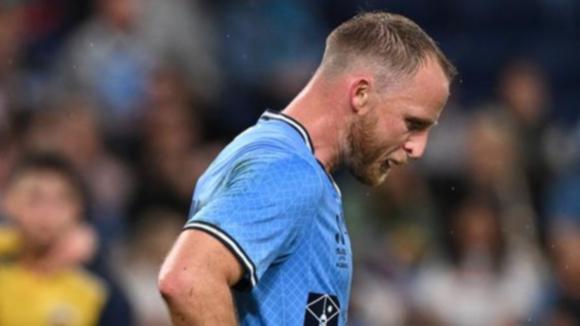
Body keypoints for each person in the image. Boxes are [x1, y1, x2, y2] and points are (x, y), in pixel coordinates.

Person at [159, 11, 456, 325]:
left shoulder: (288, 161)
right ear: (361, 94)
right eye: (413, 123)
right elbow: (187, 279)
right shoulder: (288, 169)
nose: (418, 148)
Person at [0, 152, 129, 325]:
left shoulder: (97, 291)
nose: (47, 212)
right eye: (35, 199)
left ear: (78, 208)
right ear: (9, 202)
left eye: (60, 200)